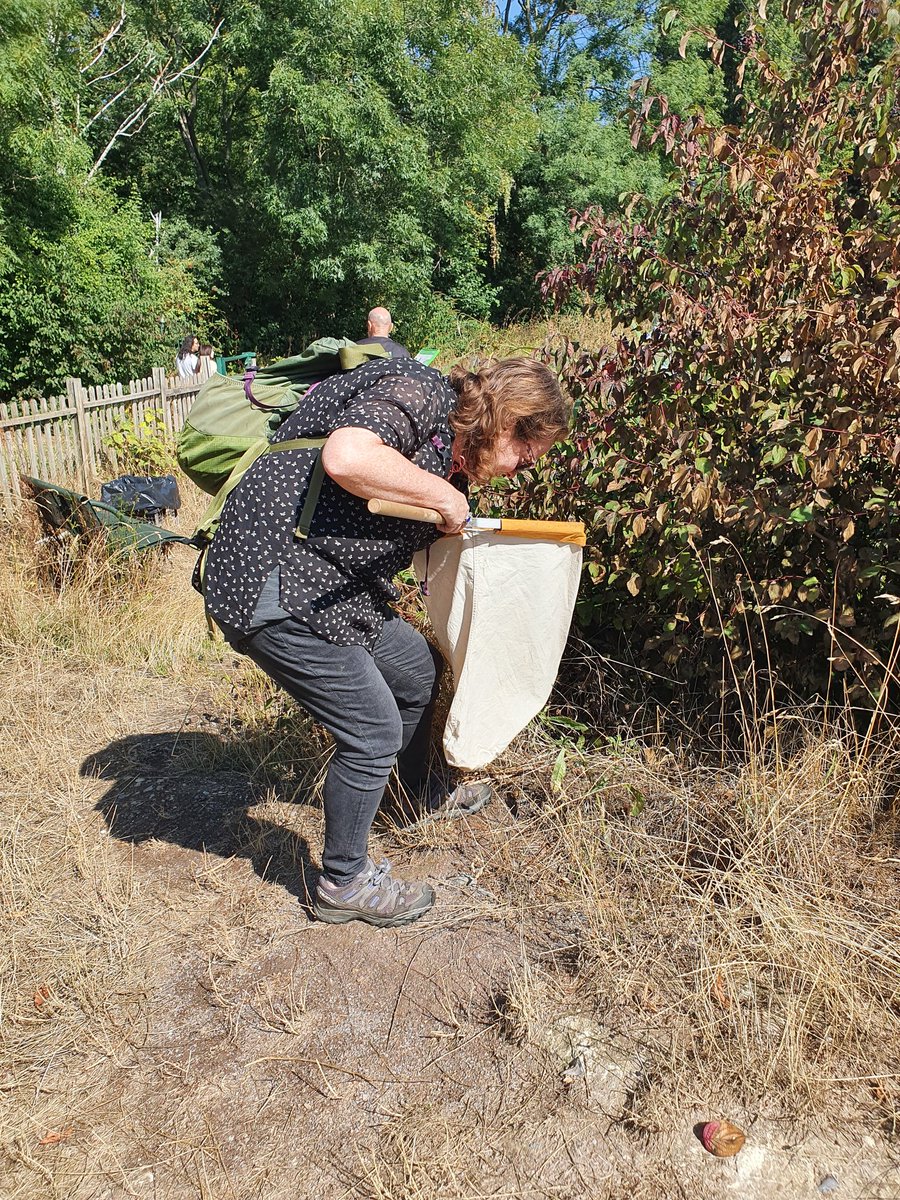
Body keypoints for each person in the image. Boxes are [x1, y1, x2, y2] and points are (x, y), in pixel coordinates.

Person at [202, 356, 571, 928]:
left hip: (332, 587)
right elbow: (347, 457)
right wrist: (445, 502)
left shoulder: (452, 460)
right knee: (371, 728)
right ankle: (342, 882)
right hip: (272, 579)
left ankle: (415, 794)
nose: (524, 467)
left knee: (416, 669)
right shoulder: (422, 394)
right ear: (508, 418)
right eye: (527, 452)